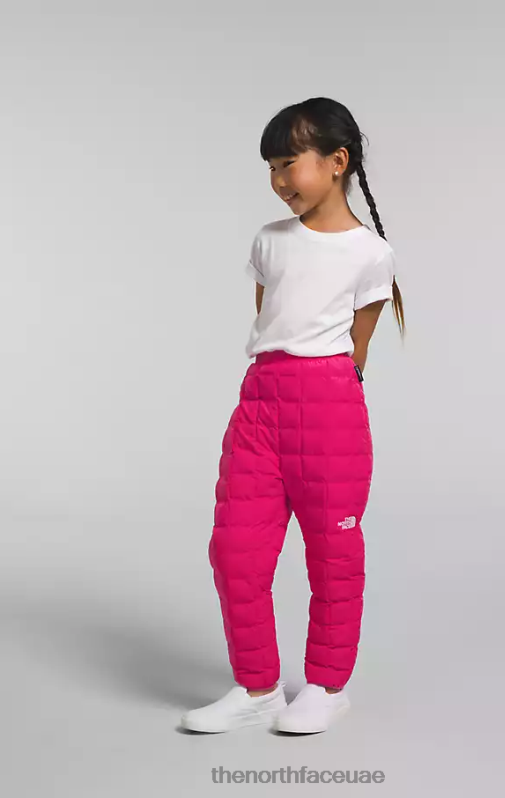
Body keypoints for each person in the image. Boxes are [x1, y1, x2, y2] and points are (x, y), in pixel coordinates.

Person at [181, 97, 405, 735]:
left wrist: (325, 397)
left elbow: (357, 348)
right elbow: (271, 319)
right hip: (261, 403)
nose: (280, 180)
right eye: (271, 168)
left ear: (337, 162)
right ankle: (257, 688)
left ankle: (327, 688)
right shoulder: (270, 240)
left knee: (333, 554)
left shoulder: (371, 254)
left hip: (331, 408)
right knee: (235, 550)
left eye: (290, 163)